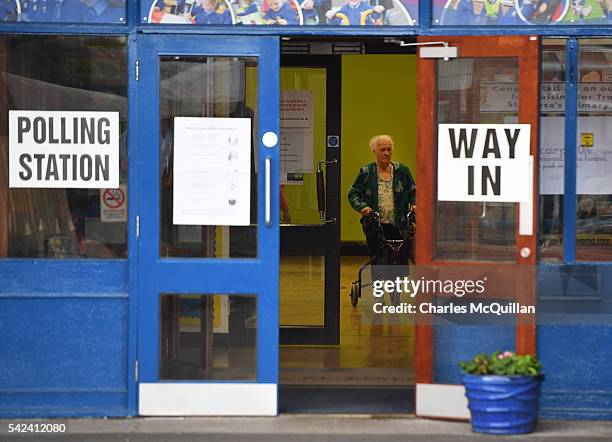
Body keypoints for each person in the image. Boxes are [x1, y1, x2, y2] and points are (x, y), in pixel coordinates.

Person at [348, 135, 415, 297]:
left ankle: (395, 293)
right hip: (375, 224)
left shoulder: (402, 171)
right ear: (374, 151)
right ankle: (379, 295)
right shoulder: (366, 172)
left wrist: (414, 204)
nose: (386, 153)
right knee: (377, 260)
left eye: (389, 149)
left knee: (398, 259)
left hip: (398, 223)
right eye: (382, 149)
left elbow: (414, 192)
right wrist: (363, 207)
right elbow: (353, 194)